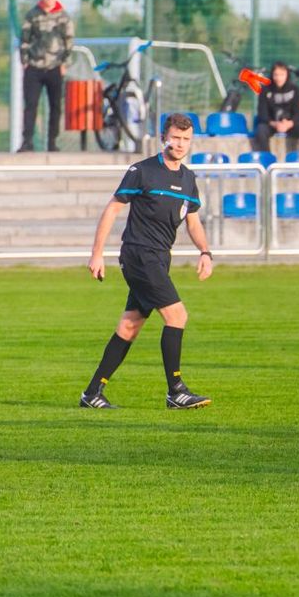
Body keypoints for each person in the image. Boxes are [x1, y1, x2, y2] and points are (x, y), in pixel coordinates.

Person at [81, 113, 214, 410]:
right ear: (163, 137)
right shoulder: (142, 171)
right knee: (177, 316)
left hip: (159, 258)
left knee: (130, 326)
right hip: (139, 254)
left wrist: (205, 252)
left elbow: (193, 221)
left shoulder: (189, 179)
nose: (180, 144)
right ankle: (176, 390)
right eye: (175, 138)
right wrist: (97, 253)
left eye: (186, 139)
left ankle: (92, 394)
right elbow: (113, 209)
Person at [19, 0, 75, 152]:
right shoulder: (32, 15)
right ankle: (27, 141)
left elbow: (69, 41)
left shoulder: (63, 16)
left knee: (55, 106)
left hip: (55, 67)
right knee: (30, 105)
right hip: (34, 67)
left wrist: (65, 64)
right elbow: (25, 39)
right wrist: (24, 61)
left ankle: (52, 142)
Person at [251, 61, 299, 153]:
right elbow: (262, 114)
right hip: (271, 124)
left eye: (282, 75)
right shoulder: (265, 90)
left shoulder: (295, 90)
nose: (278, 78)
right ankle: (267, 160)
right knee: (261, 130)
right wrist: (275, 124)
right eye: (276, 75)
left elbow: (298, 113)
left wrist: (289, 123)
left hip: (290, 124)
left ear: (287, 75)